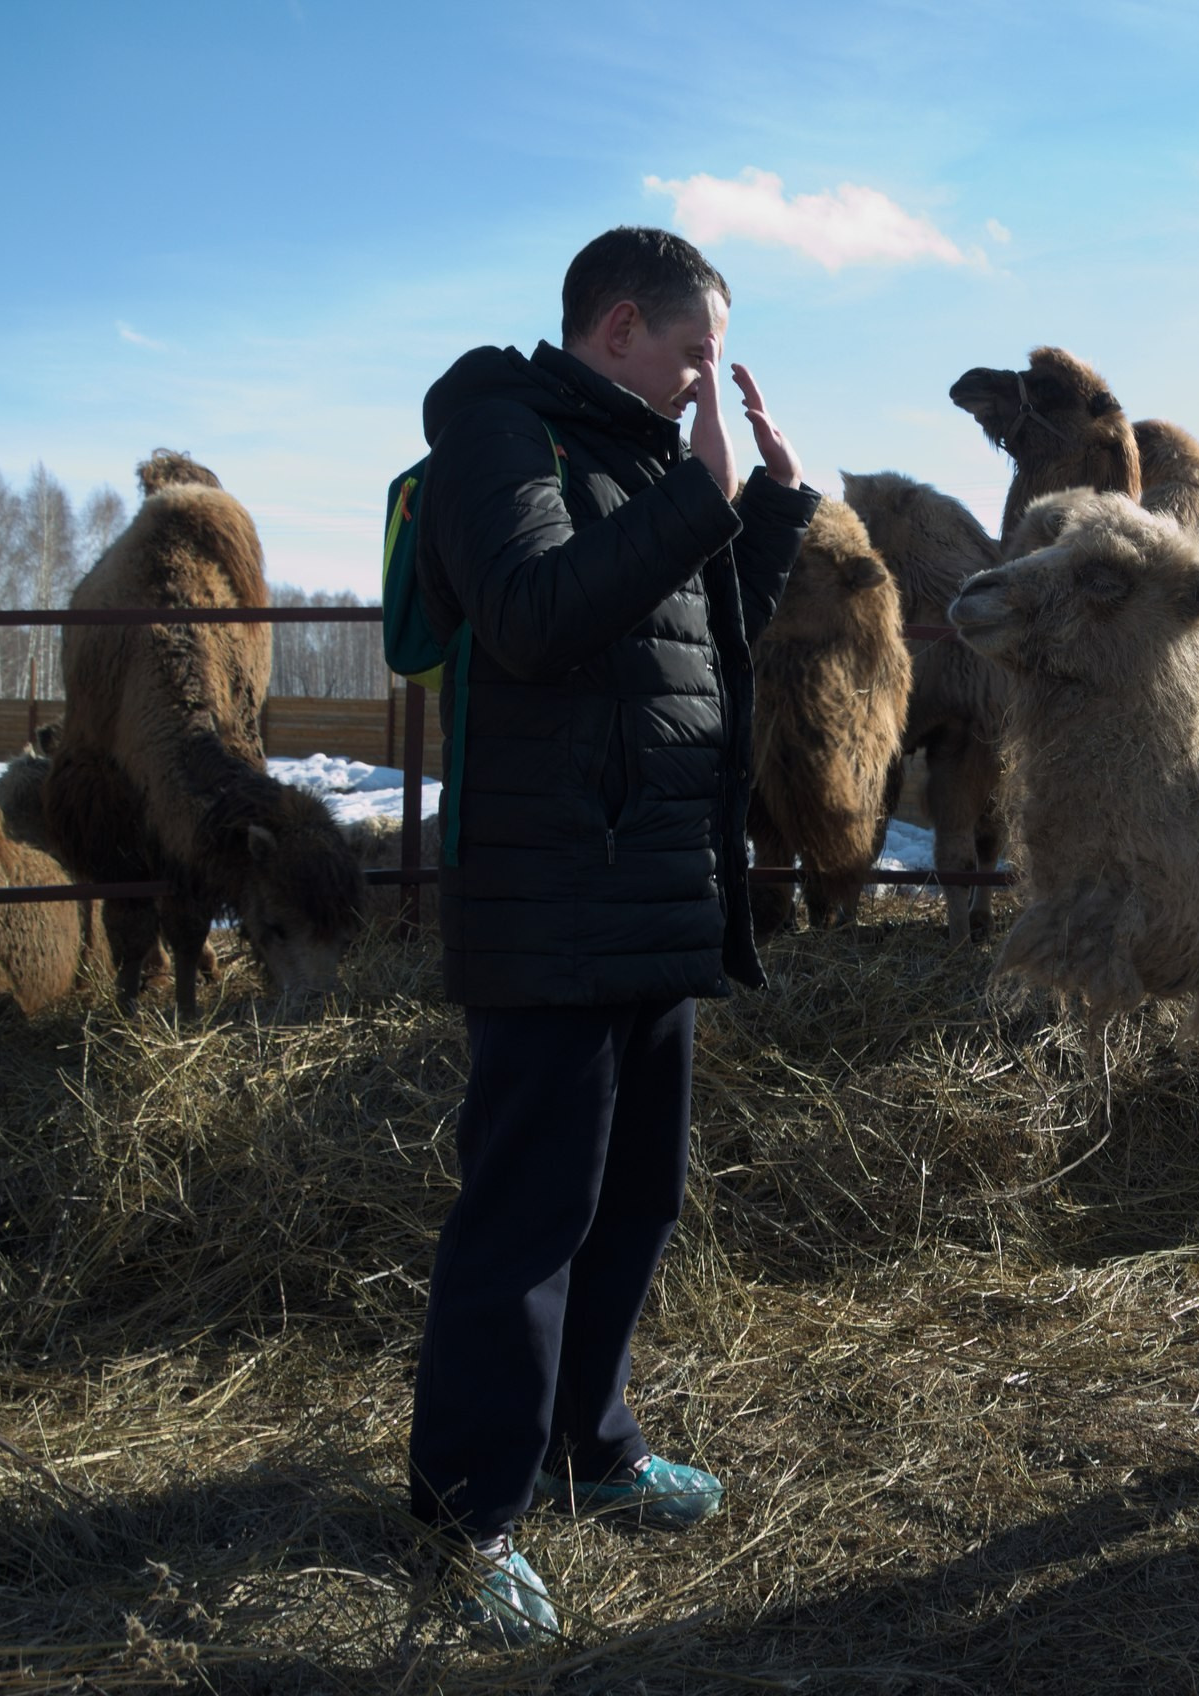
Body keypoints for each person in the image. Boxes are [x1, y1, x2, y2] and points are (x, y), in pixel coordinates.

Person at [404, 225, 814, 1642]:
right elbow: (526, 620)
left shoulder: (646, 462)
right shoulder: (500, 436)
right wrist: (696, 497)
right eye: (697, 354)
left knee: (632, 1203)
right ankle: (471, 1516)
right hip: (550, 898)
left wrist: (763, 511)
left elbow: (693, 653)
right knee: (527, 1223)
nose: (710, 382)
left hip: (653, 895)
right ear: (620, 325)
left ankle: (593, 1446)